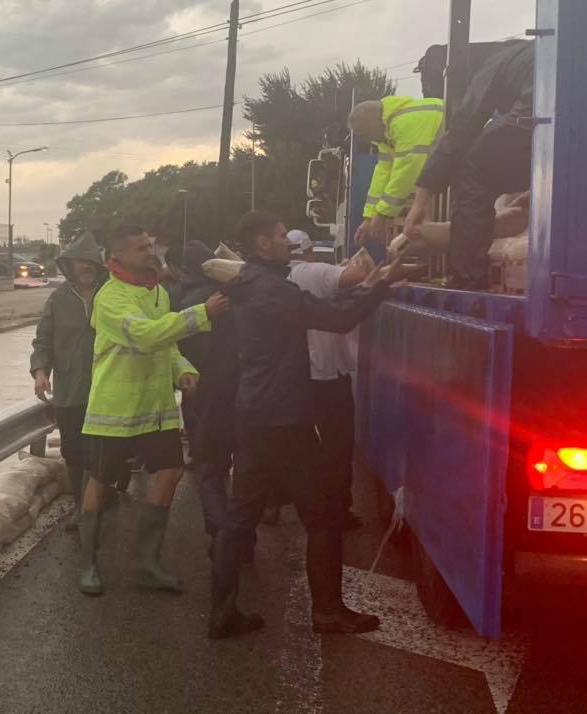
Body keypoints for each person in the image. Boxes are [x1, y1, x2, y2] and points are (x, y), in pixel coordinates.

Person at [209, 210, 404, 639]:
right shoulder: (270, 288)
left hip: (254, 414)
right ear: (262, 244)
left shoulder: (250, 284)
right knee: (324, 517)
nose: (288, 243)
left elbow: (323, 307)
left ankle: (221, 614)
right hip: (285, 419)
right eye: (281, 237)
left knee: (239, 518)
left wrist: (369, 286)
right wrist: (383, 284)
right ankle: (329, 613)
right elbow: (335, 318)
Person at [78, 225, 230, 597]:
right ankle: (89, 564)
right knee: (100, 479)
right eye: (142, 248)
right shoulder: (110, 297)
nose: (151, 252)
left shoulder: (158, 292)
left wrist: (184, 371)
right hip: (114, 410)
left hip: (157, 408)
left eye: (151, 245)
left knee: (169, 472)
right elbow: (145, 335)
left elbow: (166, 343)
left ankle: (148, 562)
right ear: (118, 258)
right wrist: (201, 313)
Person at [405, 40, 534, 289]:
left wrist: (421, 201)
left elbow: (462, 129)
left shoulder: (491, 65)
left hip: (539, 109)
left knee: (473, 168)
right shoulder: (526, 53)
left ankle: (466, 280)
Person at [286, 229, 369, 531]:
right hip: (329, 374)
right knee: (337, 444)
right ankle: (337, 510)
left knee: (295, 445)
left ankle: (282, 502)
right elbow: (359, 276)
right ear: (308, 251)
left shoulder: (277, 280)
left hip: (294, 378)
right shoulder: (316, 271)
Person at [173, 241, 250, 558]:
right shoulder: (236, 297)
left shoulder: (179, 301)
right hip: (243, 392)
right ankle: (245, 539)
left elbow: (171, 346)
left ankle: (220, 534)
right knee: (245, 467)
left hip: (200, 395)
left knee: (210, 469)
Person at [30, 231, 108, 531]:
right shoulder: (59, 299)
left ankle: (102, 498)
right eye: (79, 263)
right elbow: (43, 340)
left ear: (98, 265)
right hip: (72, 389)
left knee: (103, 452)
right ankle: (81, 505)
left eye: (89, 262)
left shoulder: (112, 294)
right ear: (69, 266)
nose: (84, 268)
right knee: (74, 451)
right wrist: (40, 372)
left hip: (109, 387)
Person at [348, 94, 445, 246]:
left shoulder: (405, 123)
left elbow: (406, 171)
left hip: (481, 146)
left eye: (364, 134)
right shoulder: (387, 133)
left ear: (374, 120)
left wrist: (382, 214)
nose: (366, 140)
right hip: (464, 156)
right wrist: (369, 217)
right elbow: (383, 173)